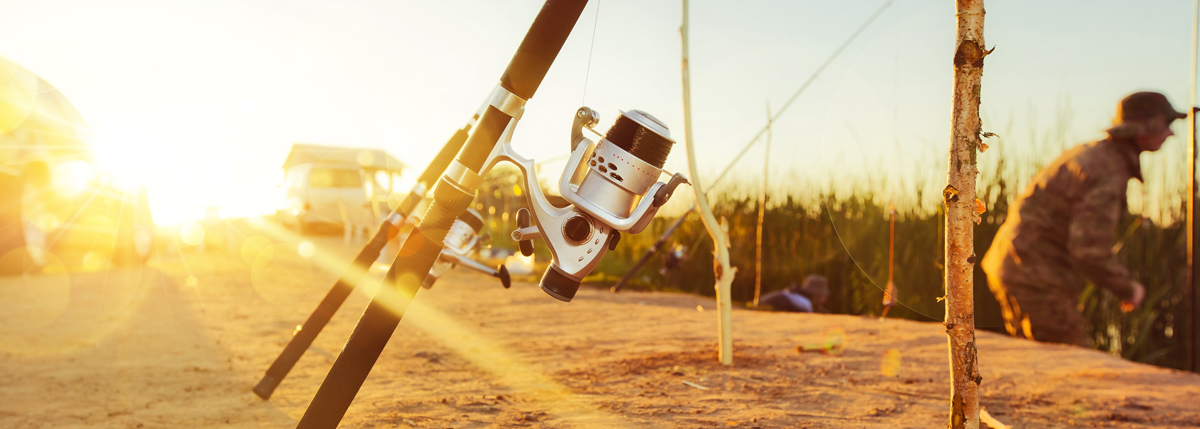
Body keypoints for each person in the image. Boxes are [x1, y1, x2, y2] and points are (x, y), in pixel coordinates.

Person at [981, 91, 1178, 347]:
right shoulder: (1108, 169)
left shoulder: (1095, 155)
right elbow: (1088, 250)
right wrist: (1128, 288)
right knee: (1071, 360)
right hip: (1035, 276)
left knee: (1041, 362)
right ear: (1144, 128)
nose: (1171, 133)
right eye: (1167, 124)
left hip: (1015, 267)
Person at [759, 274, 829, 313]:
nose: (824, 300)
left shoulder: (794, 295)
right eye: (823, 296)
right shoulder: (806, 305)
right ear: (816, 295)